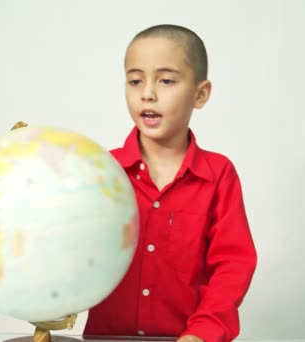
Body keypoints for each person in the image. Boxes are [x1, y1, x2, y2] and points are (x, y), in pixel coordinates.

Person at [83, 24, 257, 342]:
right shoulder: (101, 170)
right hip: (106, 337)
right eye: (135, 80)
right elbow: (71, 246)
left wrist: (203, 331)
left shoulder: (219, 174)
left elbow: (233, 264)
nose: (147, 93)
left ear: (200, 93)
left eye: (166, 80)